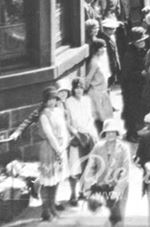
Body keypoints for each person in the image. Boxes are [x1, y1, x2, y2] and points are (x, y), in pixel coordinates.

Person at [80, 118, 131, 227]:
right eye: (108, 132)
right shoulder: (98, 147)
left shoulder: (124, 148)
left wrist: (117, 191)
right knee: (103, 217)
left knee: (118, 218)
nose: (110, 135)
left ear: (117, 133)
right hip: (102, 187)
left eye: (113, 132)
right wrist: (88, 187)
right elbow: (90, 167)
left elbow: (126, 171)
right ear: (104, 133)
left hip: (119, 187)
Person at [37, 86, 69, 221]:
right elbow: (49, 135)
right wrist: (58, 149)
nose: (52, 102)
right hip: (49, 149)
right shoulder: (44, 115)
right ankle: (46, 210)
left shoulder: (59, 111)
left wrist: (64, 145)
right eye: (49, 100)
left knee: (56, 179)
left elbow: (64, 129)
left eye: (54, 99)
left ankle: (52, 207)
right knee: (47, 181)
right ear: (45, 101)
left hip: (60, 148)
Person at [64, 78, 98, 206]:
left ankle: (83, 192)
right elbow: (68, 123)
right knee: (75, 167)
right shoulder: (68, 102)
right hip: (76, 136)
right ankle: (72, 194)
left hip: (88, 134)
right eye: (76, 87)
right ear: (73, 89)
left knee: (88, 165)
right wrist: (76, 134)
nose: (79, 90)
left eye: (81, 87)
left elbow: (90, 118)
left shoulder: (87, 100)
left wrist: (88, 132)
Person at [120, 26, 148, 141]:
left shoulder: (142, 51)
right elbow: (127, 74)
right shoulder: (129, 55)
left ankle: (136, 131)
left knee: (138, 110)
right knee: (131, 111)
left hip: (140, 86)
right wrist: (141, 73)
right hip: (131, 88)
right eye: (140, 41)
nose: (142, 43)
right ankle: (131, 134)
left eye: (143, 40)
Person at [82, 41, 114, 131]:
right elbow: (88, 78)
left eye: (104, 47)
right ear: (96, 49)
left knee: (105, 116)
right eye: (101, 48)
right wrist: (85, 90)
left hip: (102, 90)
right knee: (99, 116)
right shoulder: (94, 62)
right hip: (96, 92)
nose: (103, 50)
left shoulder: (101, 59)